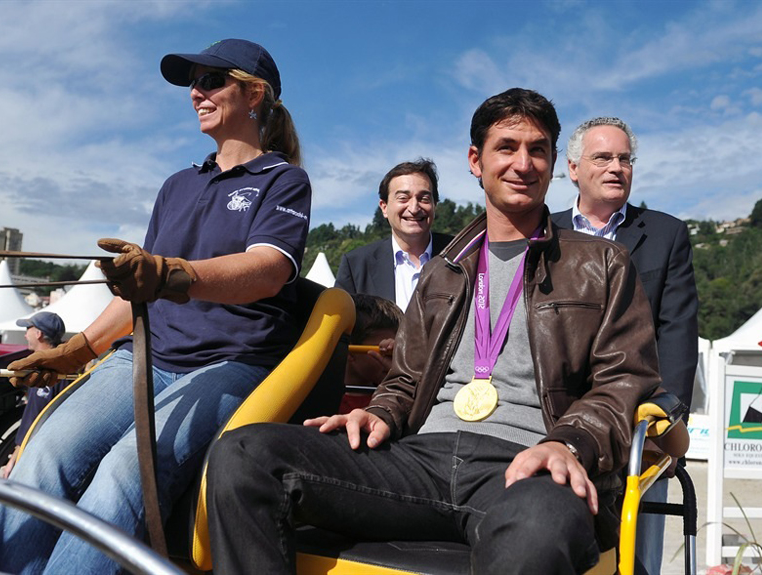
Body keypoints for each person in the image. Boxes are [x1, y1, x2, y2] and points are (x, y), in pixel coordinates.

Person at [206, 87, 661, 575]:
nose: (523, 163)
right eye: (506, 147)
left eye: (537, 150)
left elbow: (624, 381)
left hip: (529, 464)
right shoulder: (441, 272)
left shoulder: (602, 263)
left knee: (537, 526)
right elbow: (406, 378)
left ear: (553, 165)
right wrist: (379, 412)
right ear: (475, 160)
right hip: (420, 460)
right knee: (244, 454)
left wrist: (568, 443)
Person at [0, 38, 311, 575]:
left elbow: (267, 270)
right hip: (146, 357)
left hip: (231, 362)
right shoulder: (177, 185)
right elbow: (139, 293)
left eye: (212, 80)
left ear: (254, 94)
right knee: (43, 452)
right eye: (193, 83)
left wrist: (175, 273)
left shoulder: (283, 179)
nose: (196, 92)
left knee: (125, 471)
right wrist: (77, 349)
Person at [552, 116, 699, 575]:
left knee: (636, 558)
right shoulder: (543, 233)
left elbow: (677, 331)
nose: (616, 167)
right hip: (555, 419)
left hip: (639, 427)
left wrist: (668, 427)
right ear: (573, 169)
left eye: (624, 159)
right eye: (602, 158)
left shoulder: (666, 234)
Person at [336, 159, 454, 311]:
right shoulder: (356, 265)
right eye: (403, 198)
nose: (414, 208)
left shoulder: (461, 255)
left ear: (434, 205)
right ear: (384, 207)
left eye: (424, 199)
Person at [0, 311, 67, 479]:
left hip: (41, 455)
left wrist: (15, 458)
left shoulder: (46, 371)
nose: (25, 335)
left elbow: (34, 419)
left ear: (38, 334)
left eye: (27, 329)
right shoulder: (63, 366)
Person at [339, 293, 403, 413]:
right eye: (384, 351)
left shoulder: (400, 396)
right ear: (350, 352)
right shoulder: (326, 398)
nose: (394, 358)